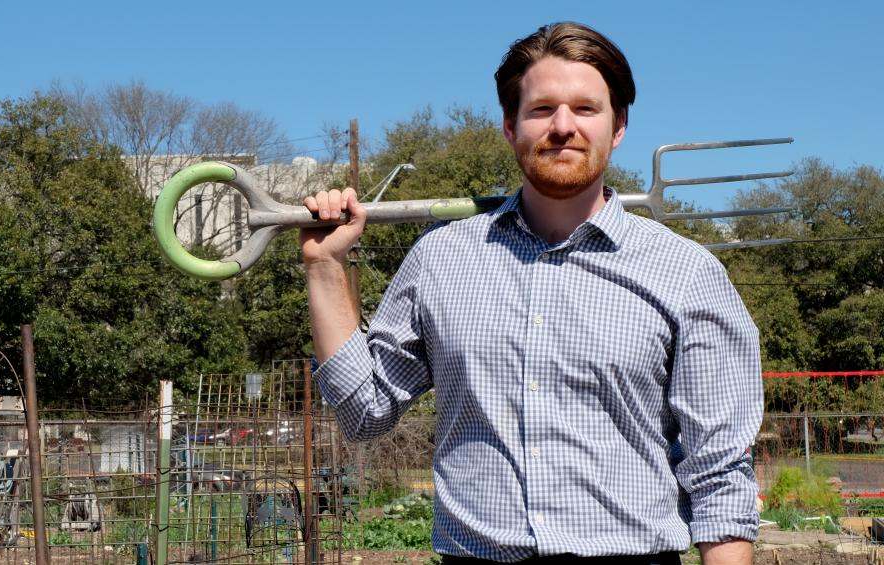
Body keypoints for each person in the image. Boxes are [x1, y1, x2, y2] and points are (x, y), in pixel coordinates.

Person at [302, 22, 762, 565]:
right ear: (509, 125)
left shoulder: (686, 273)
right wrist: (326, 266)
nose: (563, 127)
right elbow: (364, 410)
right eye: (542, 109)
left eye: (585, 109)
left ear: (618, 127)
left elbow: (720, 474)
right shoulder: (441, 259)